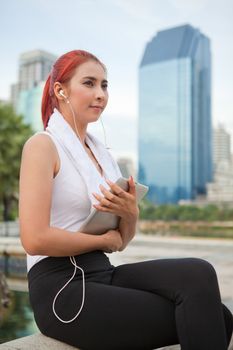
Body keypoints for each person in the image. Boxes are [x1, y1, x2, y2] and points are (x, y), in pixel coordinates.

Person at [19, 49, 233, 350]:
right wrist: (102, 241)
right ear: (60, 90)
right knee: (212, 317)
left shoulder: (103, 156)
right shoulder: (42, 146)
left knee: (200, 276)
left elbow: (121, 240)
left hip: (100, 271)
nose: (100, 94)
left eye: (104, 85)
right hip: (60, 286)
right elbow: (34, 239)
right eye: (90, 83)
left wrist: (130, 213)